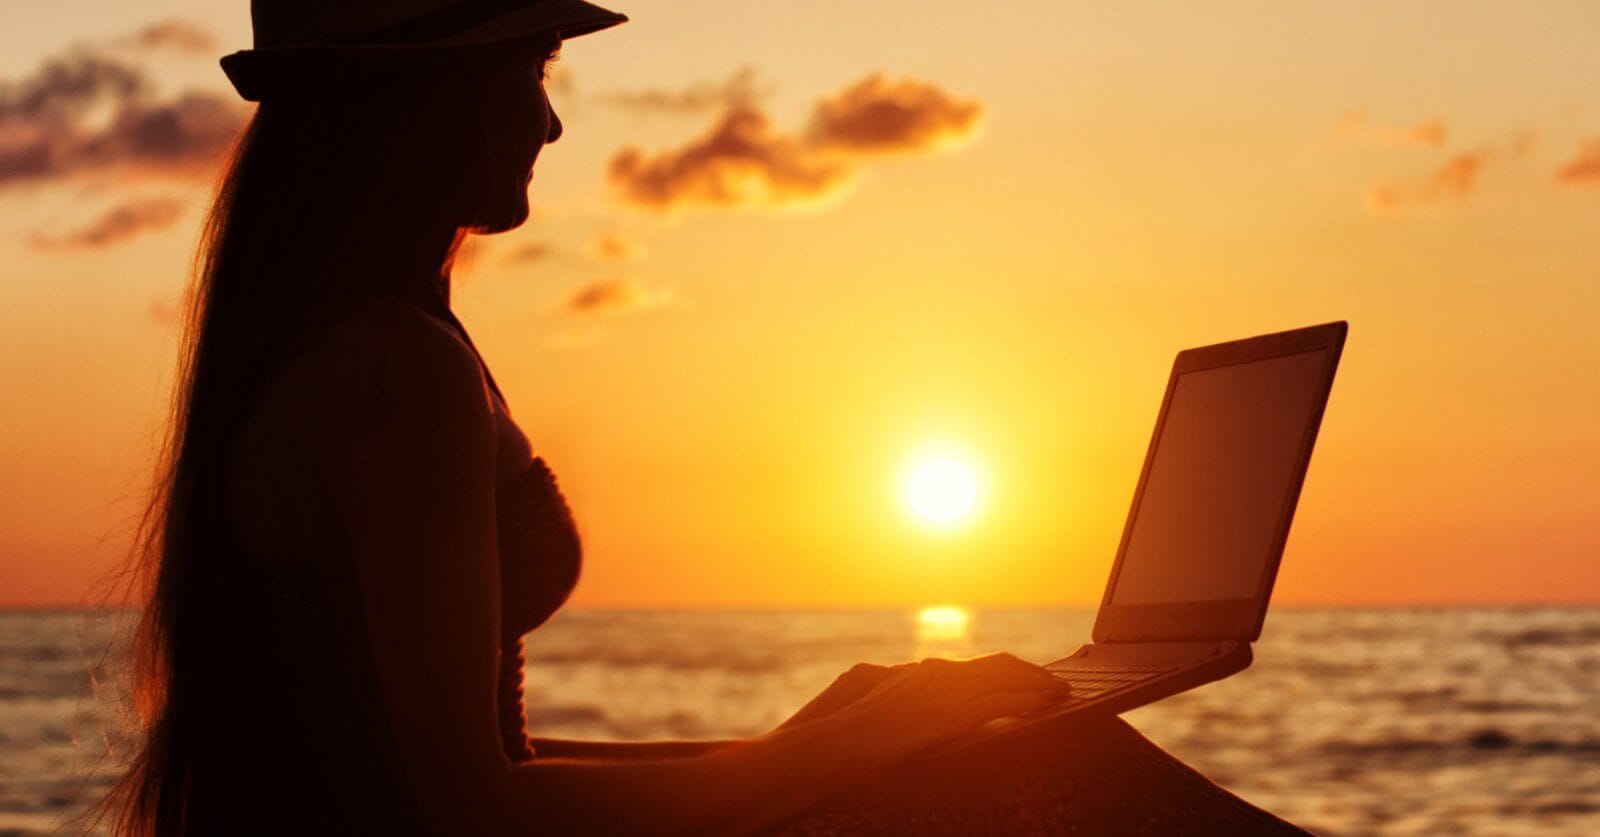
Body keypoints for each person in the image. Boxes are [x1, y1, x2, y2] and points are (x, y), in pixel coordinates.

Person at [102, 1, 1308, 833]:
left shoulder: (364, 347)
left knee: (1001, 756)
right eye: (531, 73)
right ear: (418, 101)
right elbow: (478, 813)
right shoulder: (393, 376)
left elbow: (457, 782)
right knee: (1059, 780)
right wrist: (838, 751)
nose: (549, 123)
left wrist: (815, 736)